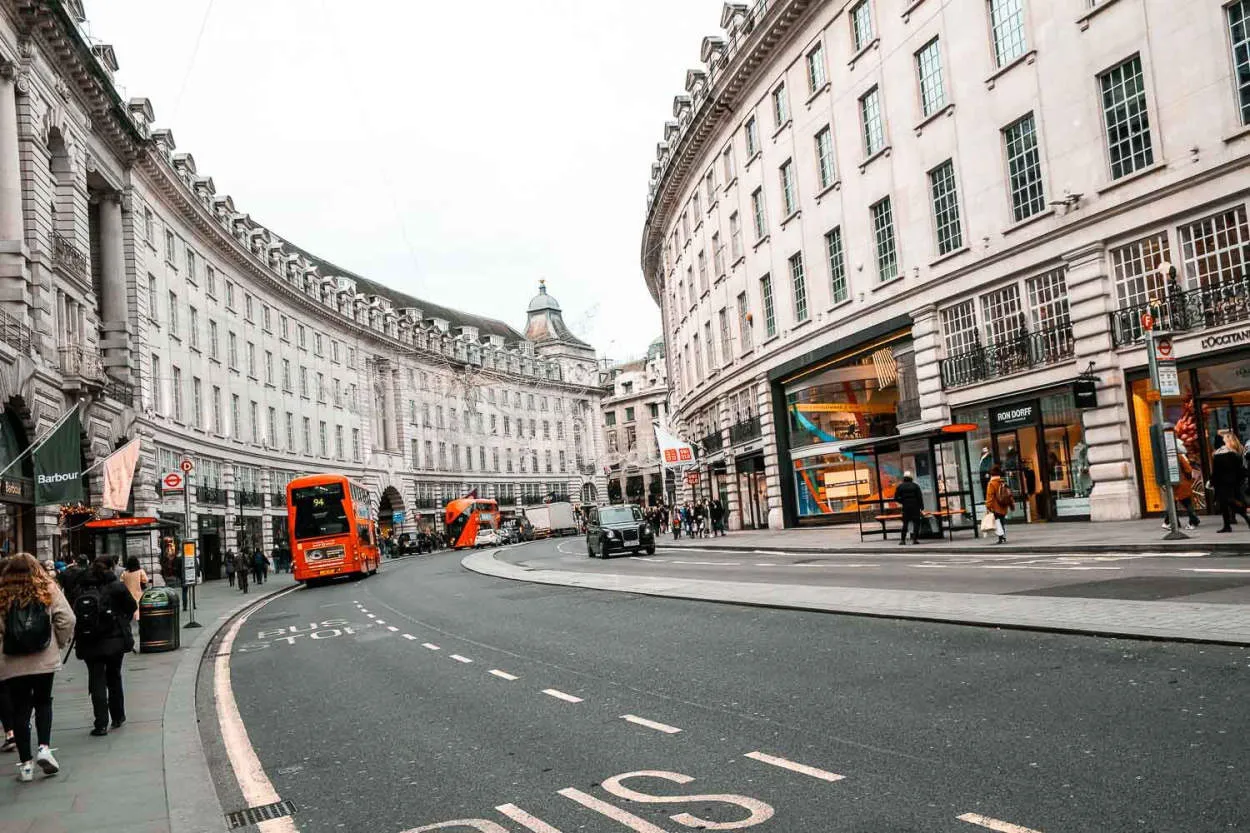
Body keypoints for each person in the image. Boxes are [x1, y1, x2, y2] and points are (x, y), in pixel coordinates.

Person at [0, 553, 76, 783]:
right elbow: (67, 619)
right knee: (44, 702)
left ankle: (26, 765)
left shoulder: (2, 594)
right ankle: (44, 747)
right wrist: (58, 643)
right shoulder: (47, 588)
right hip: (43, 658)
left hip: (12, 661)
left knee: (20, 709)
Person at [74, 558, 137, 736]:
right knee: (114, 677)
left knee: (96, 680)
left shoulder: (81, 587)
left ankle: (101, 724)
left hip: (89, 640)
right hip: (114, 640)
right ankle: (118, 716)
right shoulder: (116, 586)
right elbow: (131, 606)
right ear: (110, 568)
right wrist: (121, 619)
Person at [1212, 431, 1249, 533]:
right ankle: (1228, 525)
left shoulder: (1217, 455)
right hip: (1233, 482)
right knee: (1226, 502)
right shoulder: (1233, 453)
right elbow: (1239, 469)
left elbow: (1216, 472)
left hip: (1222, 484)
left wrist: (1212, 482)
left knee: (1227, 502)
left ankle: (1233, 522)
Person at [1171, 443, 1201, 531]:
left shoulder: (1168, 459)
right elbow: (1188, 469)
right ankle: (1193, 521)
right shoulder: (1179, 457)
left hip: (1175, 485)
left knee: (1180, 504)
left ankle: (1178, 522)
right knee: (1187, 503)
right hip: (1183, 483)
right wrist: (1189, 478)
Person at [985, 465, 1016, 544]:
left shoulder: (991, 483)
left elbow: (990, 495)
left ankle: (1001, 538)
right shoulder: (1002, 481)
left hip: (996, 506)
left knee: (998, 522)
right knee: (1002, 521)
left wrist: (988, 506)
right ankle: (1003, 536)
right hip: (1003, 504)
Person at [894, 471, 925, 545]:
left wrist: (902, 502)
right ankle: (915, 540)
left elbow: (896, 498)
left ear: (904, 478)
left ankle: (902, 540)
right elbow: (919, 497)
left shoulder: (900, 486)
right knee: (916, 523)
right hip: (915, 507)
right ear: (911, 478)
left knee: (905, 523)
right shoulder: (915, 486)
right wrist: (921, 507)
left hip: (906, 507)